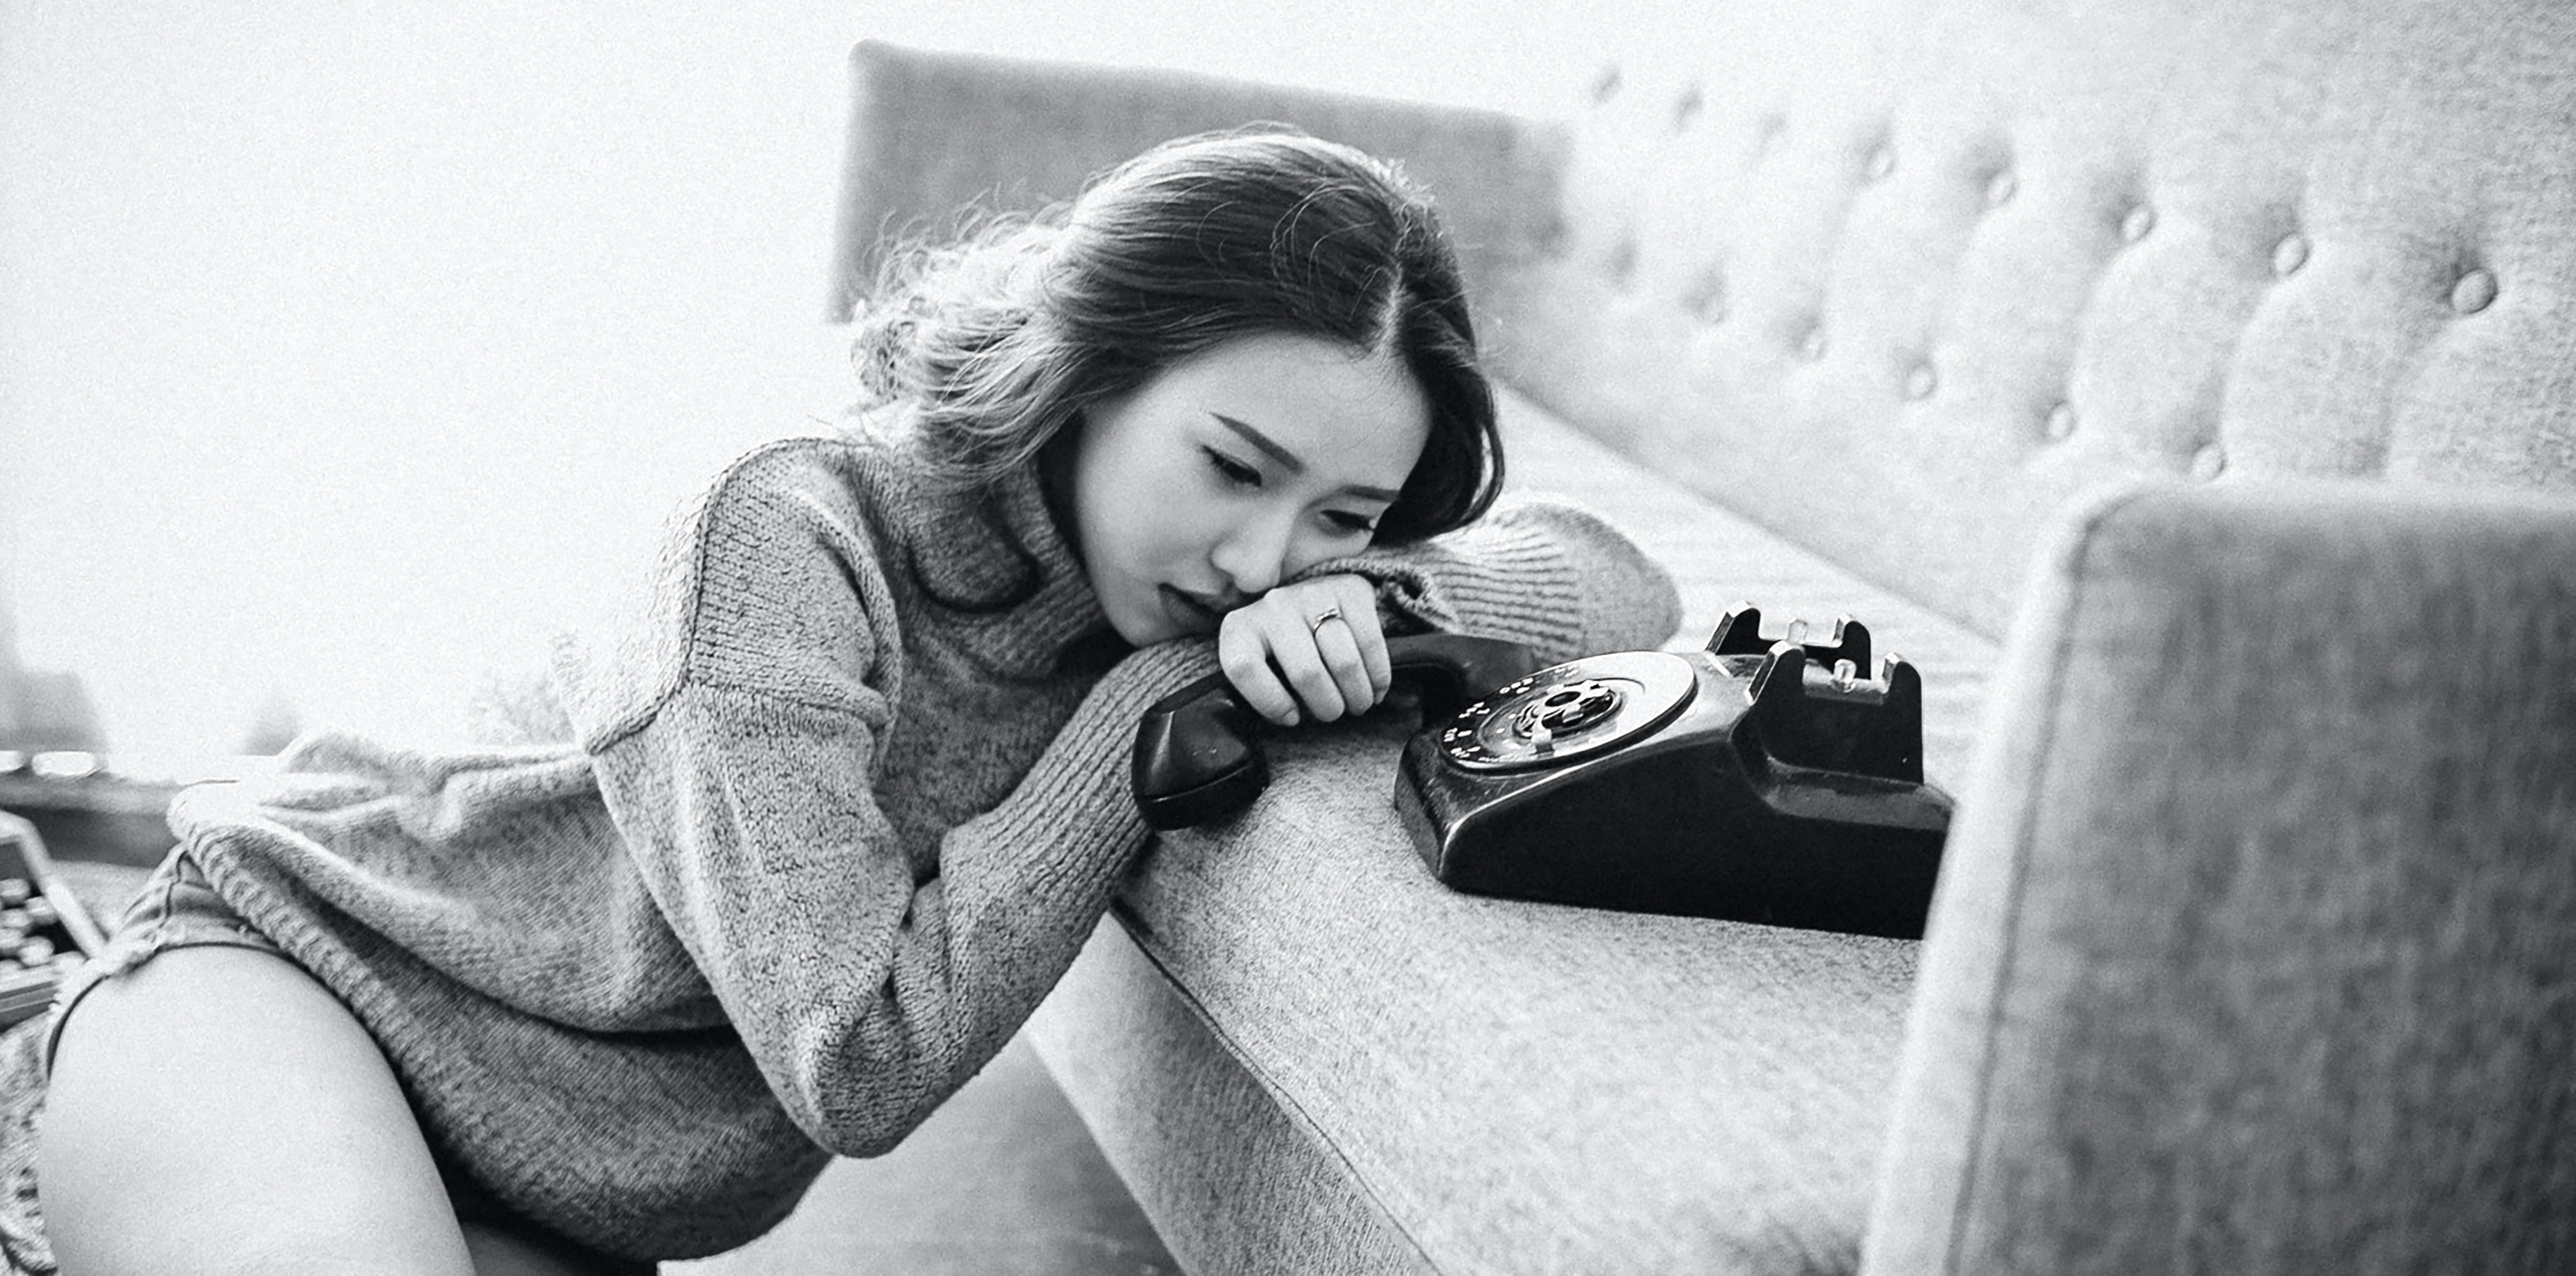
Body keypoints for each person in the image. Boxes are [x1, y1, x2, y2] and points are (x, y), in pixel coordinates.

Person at [10, 126, 1678, 1274]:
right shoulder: (781, 538)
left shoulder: (1181, 562)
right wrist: (1157, 705)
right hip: (290, 997)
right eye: (1236, 465)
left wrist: (1383, 596)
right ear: (1085, 371)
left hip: (547, 1188)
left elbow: (1621, 582)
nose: (1262, 560)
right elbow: (856, 1060)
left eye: (1344, 511)